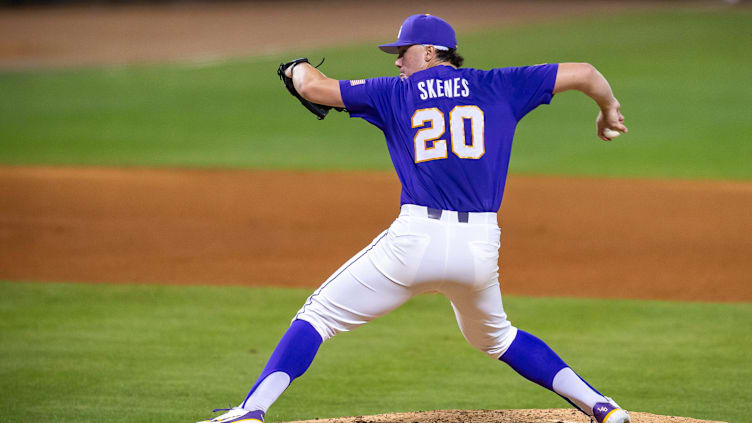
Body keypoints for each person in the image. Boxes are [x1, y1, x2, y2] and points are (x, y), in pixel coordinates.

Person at [198, 13, 630, 423]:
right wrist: (608, 109)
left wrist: (294, 67)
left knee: (318, 316)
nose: (397, 60)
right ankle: (602, 407)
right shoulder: (501, 84)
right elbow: (587, 72)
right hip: (479, 250)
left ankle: (250, 411)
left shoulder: (394, 92)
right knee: (497, 338)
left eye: (403, 51)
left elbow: (315, 88)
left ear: (430, 51)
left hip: (414, 242)